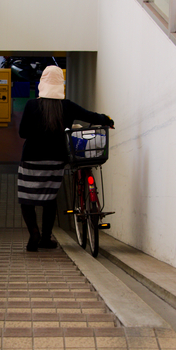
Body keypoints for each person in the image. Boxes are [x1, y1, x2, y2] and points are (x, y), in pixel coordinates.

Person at [17, 66, 114, 252]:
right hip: (55, 160)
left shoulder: (31, 105)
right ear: (61, 84)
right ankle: (46, 238)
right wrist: (107, 120)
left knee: (26, 199)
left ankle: (34, 233)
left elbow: (22, 133)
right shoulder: (67, 106)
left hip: (31, 158)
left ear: (42, 83)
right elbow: (91, 116)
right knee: (49, 199)